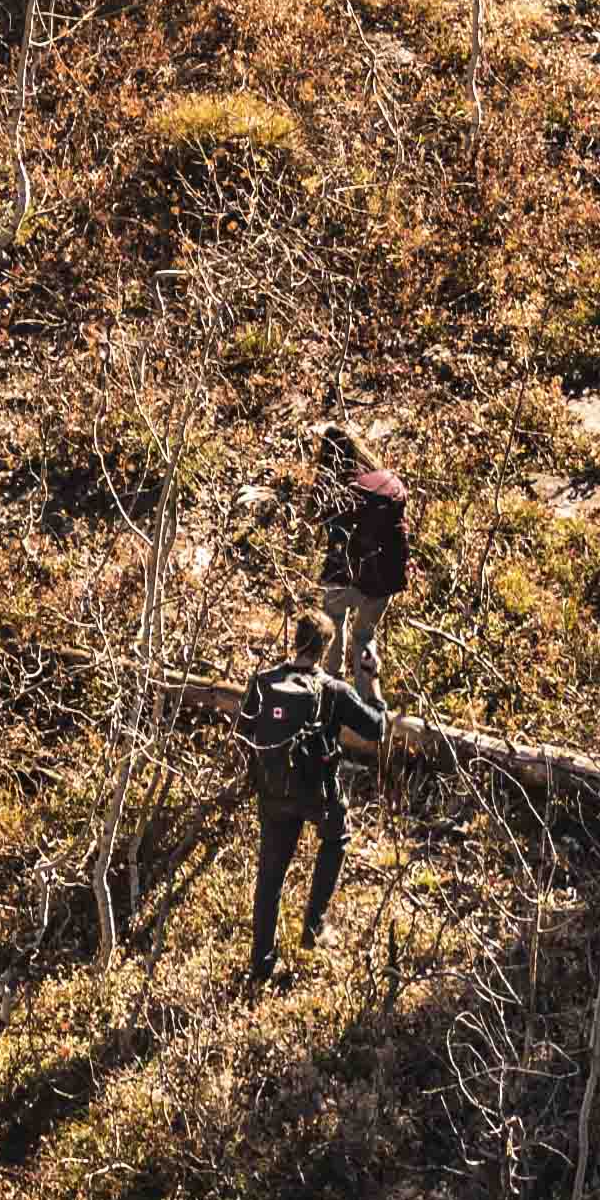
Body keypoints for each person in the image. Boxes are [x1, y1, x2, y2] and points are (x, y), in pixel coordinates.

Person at [239, 615, 386, 991]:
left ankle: (261, 967)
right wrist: (371, 678)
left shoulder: (262, 683)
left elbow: (244, 734)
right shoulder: (333, 690)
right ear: (326, 647)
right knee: (336, 838)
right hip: (317, 795)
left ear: (295, 640)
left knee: (270, 879)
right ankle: (313, 927)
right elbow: (377, 729)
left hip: (272, 795)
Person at [311, 423, 416, 704]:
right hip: (386, 578)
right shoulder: (386, 482)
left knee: (334, 619)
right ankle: (367, 700)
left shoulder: (338, 488)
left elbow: (322, 523)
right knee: (364, 634)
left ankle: (331, 688)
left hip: (347, 575)